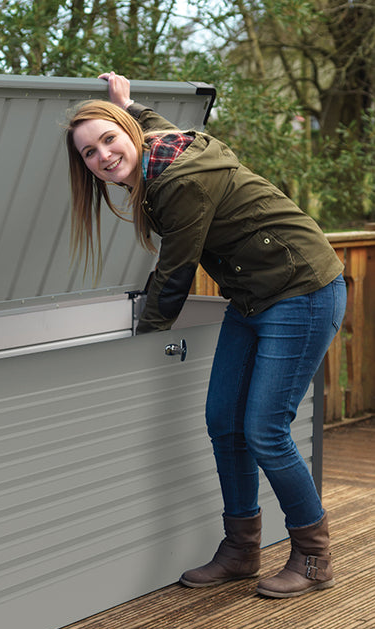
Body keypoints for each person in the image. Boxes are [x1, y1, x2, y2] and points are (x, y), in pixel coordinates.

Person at [65, 71, 347, 598]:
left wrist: (140, 343)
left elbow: (174, 275)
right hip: (252, 296)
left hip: (302, 289)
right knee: (224, 420)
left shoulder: (178, 181)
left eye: (109, 139)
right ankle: (241, 549)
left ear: (128, 135)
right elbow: (148, 124)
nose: (103, 156)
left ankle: (313, 556)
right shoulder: (162, 148)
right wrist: (126, 105)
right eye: (89, 153)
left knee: (265, 429)